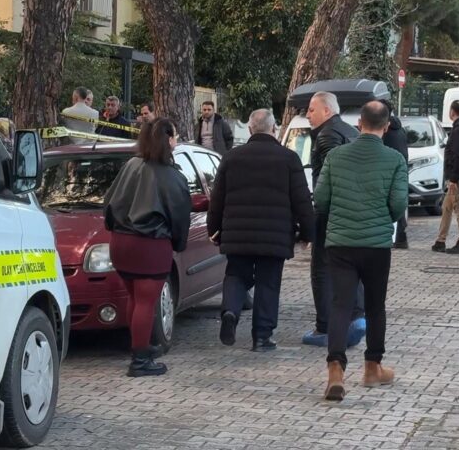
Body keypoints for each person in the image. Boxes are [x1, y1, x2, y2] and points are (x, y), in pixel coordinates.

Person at [315, 101, 407, 401]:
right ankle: (372, 367)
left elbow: (321, 199)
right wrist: (382, 219)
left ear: (359, 124)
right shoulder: (394, 159)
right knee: (375, 305)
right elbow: (398, 204)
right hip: (376, 245)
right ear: (387, 126)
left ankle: (335, 371)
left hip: (340, 242)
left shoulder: (336, 156)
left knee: (341, 304)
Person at [208, 109, 315, 352]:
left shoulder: (231, 158)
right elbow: (302, 200)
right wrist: (308, 233)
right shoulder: (289, 158)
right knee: (268, 283)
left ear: (249, 129)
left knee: (236, 275)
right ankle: (262, 337)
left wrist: (214, 229)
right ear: (274, 129)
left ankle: (230, 312)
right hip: (275, 235)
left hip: (237, 233)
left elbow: (217, 199)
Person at [103, 119, 192, 377]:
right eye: (175, 136)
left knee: (134, 297)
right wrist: (178, 243)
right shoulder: (172, 176)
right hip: (150, 244)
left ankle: (139, 345)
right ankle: (140, 360)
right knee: (145, 301)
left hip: (120, 241)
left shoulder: (131, 165)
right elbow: (180, 216)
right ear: (168, 139)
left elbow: (109, 201)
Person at [301, 91, 362, 349]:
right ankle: (357, 317)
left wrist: (322, 208)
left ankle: (325, 327)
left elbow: (332, 175)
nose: (307, 114)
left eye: (311, 109)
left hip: (331, 212)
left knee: (322, 268)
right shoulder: (351, 132)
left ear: (327, 110)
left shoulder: (327, 135)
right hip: (354, 210)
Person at [432, 100, 459, 255]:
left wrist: (453, 179)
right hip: (458, 176)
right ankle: (440, 240)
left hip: (457, 177)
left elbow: (457, 155)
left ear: (451, 111)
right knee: (447, 207)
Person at [382, 102, 409, 250]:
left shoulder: (386, 131)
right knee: (397, 203)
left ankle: (395, 238)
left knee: (390, 204)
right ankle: (401, 237)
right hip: (401, 170)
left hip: (390, 171)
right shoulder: (400, 129)